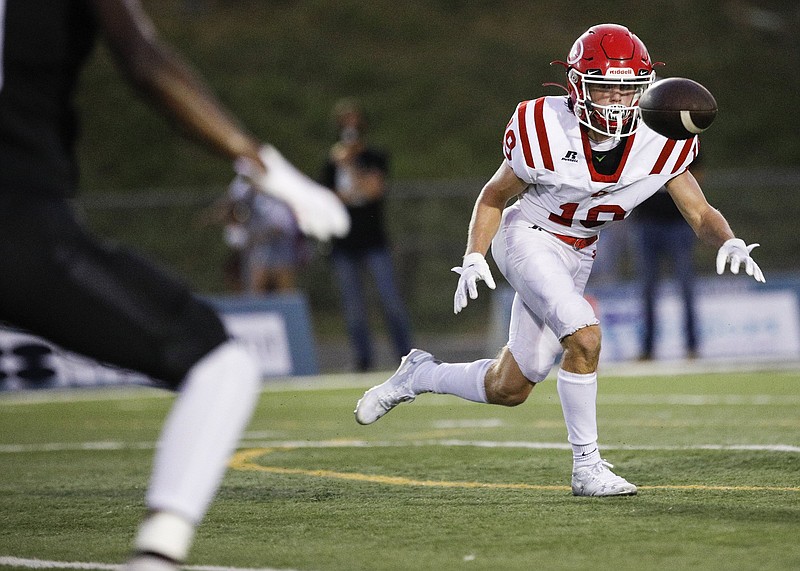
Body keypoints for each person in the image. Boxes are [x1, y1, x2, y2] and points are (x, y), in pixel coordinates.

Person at [0, 1, 346, 569]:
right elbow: (145, 62)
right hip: (17, 220)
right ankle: (159, 554)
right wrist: (258, 160)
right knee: (221, 365)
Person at [354, 23, 765, 497]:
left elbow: (699, 211)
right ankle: (586, 467)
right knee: (585, 337)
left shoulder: (662, 136)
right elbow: (493, 197)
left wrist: (729, 240)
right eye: (604, 88)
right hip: (527, 236)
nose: (615, 101)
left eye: (626, 89)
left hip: (579, 253)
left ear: (644, 89)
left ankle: (419, 374)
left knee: (510, 387)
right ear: (576, 86)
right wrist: (474, 255)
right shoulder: (545, 128)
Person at [321, 98, 413, 372]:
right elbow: (328, 199)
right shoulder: (330, 162)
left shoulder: (374, 157)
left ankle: (406, 357)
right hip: (343, 243)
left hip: (374, 241)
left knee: (390, 301)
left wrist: (350, 167)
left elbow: (373, 190)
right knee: (354, 309)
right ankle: (363, 360)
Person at [631, 157, 705, 360]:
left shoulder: (685, 137)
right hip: (647, 223)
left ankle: (692, 347)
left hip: (678, 223)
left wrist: (674, 184)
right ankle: (647, 349)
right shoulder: (642, 137)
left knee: (686, 287)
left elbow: (697, 175)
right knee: (647, 289)